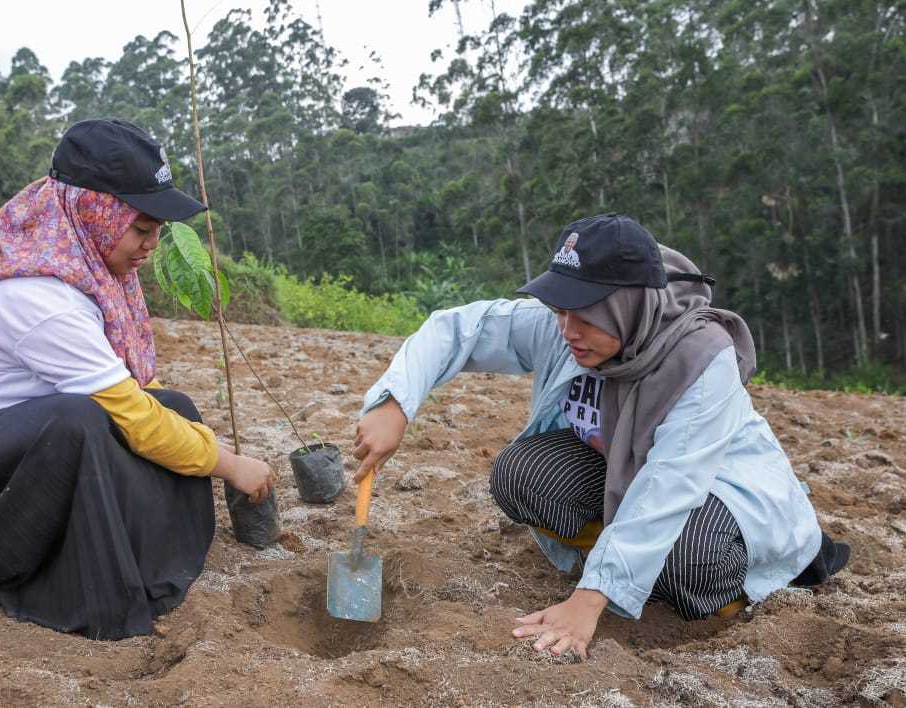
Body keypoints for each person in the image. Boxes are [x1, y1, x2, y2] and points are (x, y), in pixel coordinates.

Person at [353, 213, 849, 659]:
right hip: (623, 476)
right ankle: (614, 564)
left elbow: (669, 486)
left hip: (719, 495)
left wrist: (588, 602)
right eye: (560, 309)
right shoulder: (565, 329)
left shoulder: (700, 359)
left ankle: (719, 591)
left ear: (628, 306)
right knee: (521, 473)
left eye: (586, 313)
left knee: (691, 555)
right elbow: (461, 329)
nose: (569, 330)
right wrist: (394, 404)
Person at [0, 119, 275, 640]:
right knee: (80, 420)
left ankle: (144, 562)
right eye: (140, 229)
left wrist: (208, 444)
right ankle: (46, 578)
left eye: (156, 231)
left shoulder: (87, 268)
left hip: (24, 452)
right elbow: (134, 419)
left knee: (177, 407)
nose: (150, 246)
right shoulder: (38, 296)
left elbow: (144, 405)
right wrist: (230, 465)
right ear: (94, 212)